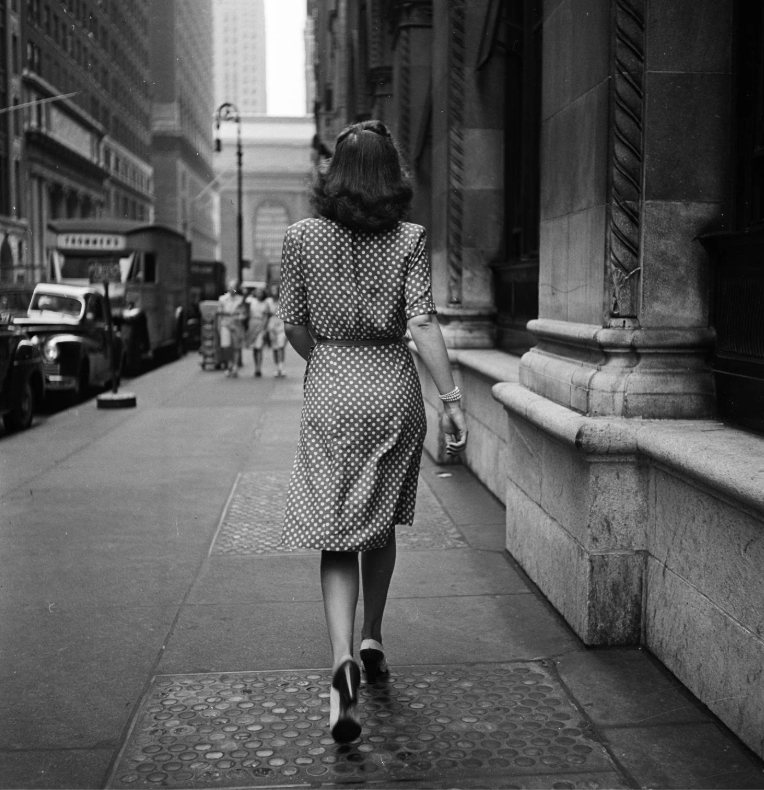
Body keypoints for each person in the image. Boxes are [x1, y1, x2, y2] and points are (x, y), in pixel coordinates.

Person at [278, 119, 467, 743]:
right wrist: (451, 397)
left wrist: (331, 360)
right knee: (379, 522)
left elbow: (295, 327)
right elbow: (421, 322)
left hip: (332, 389)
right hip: (392, 389)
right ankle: (373, 637)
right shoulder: (409, 238)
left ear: (335, 173)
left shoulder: (302, 237)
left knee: (336, 530)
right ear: (393, 177)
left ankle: (340, 663)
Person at [217, 279, 245, 377]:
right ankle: (229, 362)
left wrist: (240, 317)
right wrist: (219, 326)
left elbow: (243, 313)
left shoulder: (240, 299)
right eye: (230, 287)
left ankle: (235, 366)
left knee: (236, 346)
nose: (232, 289)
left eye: (234, 287)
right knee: (226, 345)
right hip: (225, 323)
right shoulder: (222, 299)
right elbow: (219, 314)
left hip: (236, 323)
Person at [244, 286, 271, 376]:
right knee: (255, 348)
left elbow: (266, 316)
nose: (259, 294)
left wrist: (264, 328)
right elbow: (245, 302)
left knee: (259, 347)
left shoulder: (265, 304)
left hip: (261, 324)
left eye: (261, 292)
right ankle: (256, 366)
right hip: (252, 323)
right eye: (257, 292)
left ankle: (259, 367)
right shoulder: (251, 301)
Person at [266, 285, 287, 377]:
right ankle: (276, 367)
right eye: (272, 290)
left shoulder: (283, 300)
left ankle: (281, 367)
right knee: (275, 347)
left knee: (281, 346)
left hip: (281, 323)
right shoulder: (268, 301)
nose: (273, 292)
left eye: (275, 290)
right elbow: (266, 314)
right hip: (272, 324)